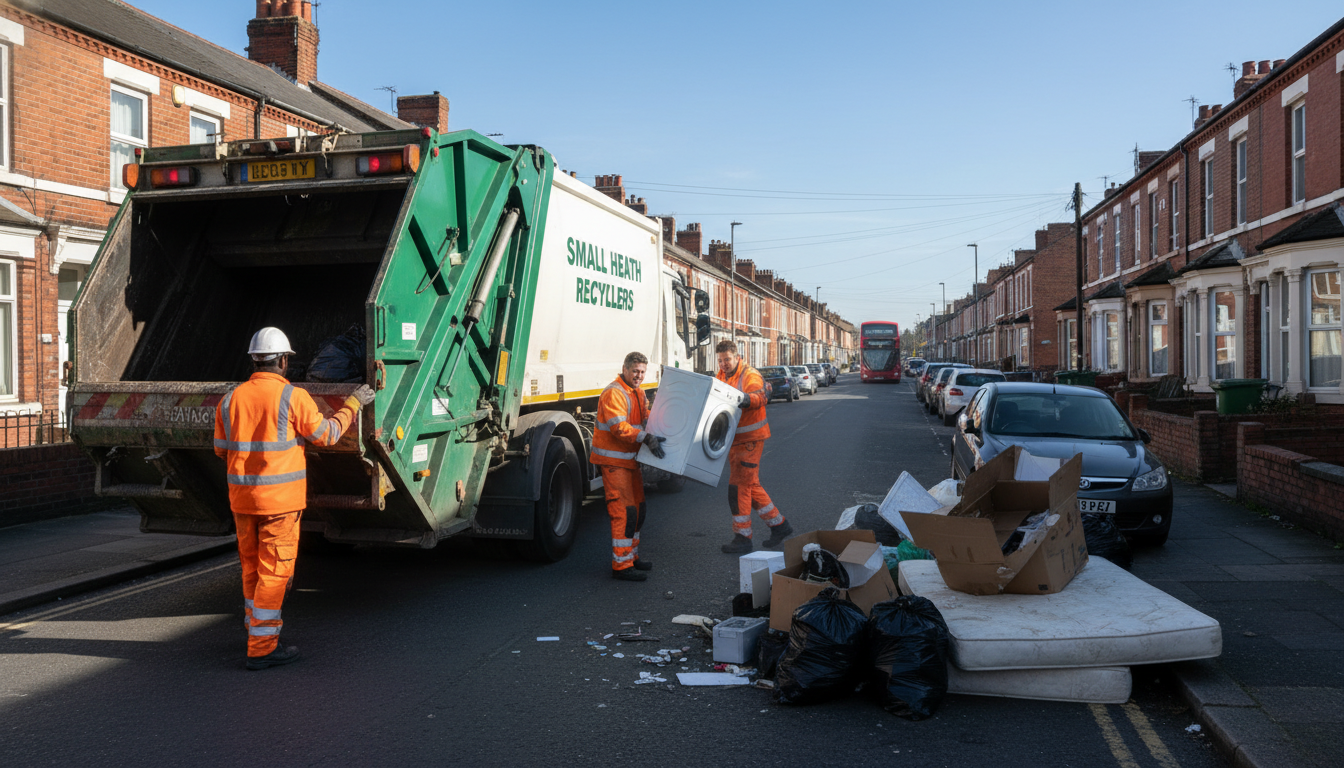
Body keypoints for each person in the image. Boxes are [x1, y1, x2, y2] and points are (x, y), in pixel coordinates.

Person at [214, 327, 375, 670]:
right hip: (280, 504)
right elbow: (327, 435)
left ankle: (254, 628)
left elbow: (220, 449)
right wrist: (353, 404)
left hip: (243, 502)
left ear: (254, 361)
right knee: (275, 573)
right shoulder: (293, 397)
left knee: (251, 568)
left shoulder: (230, 400)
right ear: (284, 361)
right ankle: (261, 646)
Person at [591, 351, 666, 582]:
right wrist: (645, 438)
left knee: (638, 510)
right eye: (635, 371)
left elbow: (645, 420)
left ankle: (631, 557)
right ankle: (621, 565)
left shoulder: (639, 393)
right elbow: (619, 428)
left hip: (629, 462)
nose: (639, 376)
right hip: (614, 463)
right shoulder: (615, 392)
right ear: (625, 369)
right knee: (624, 512)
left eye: (642, 372)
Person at [715, 340, 794, 553]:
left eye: (727, 359)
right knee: (750, 485)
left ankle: (743, 537)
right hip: (737, 441)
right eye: (720, 360)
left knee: (738, 488)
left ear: (737, 357)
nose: (723, 364)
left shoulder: (749, 375)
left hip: (749, 441)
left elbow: (760, 397)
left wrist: (744, 399)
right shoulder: (723, 376)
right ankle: (779, 525)